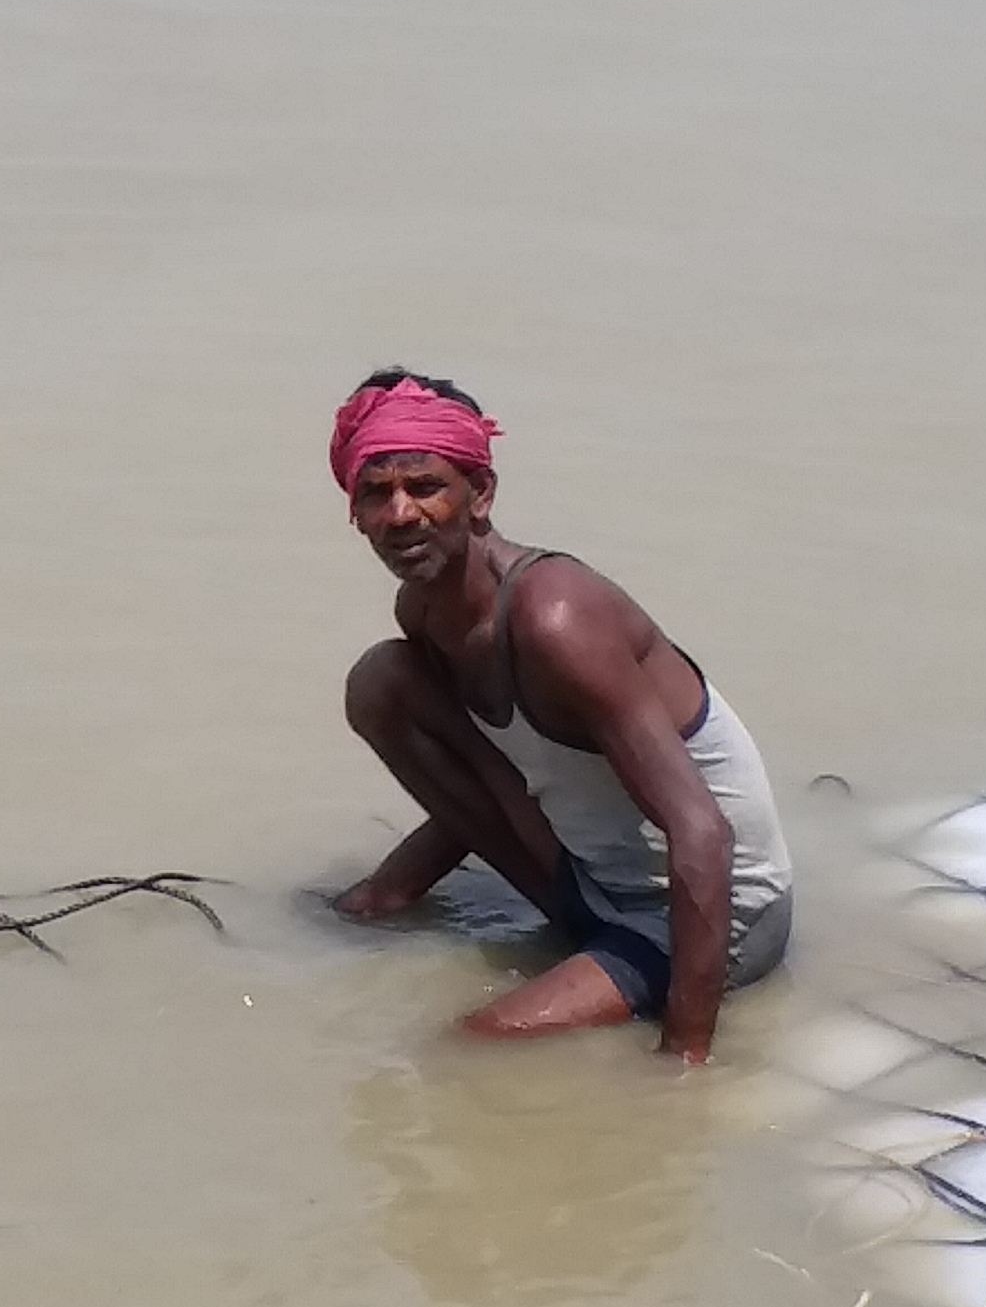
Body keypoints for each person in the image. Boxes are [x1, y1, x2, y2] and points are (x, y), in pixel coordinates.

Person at [327, 369, 796, 1062]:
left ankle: (642, 994)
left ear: (479, 496)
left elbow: (703, 832)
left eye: (425, 487)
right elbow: (492, 773)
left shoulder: (556, 618)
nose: (400, 515)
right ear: (356, 513)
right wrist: (384, 894)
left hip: (708, 915)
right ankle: (400, 902)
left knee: (469, 1050)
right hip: (584, 883)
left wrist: (685, 1060)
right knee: (380, 681)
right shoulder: (424, 611)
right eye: (376, 493)